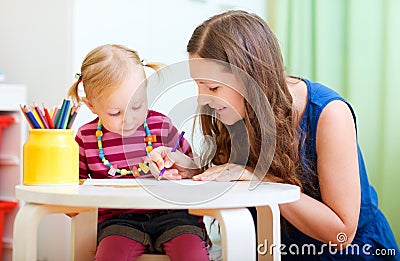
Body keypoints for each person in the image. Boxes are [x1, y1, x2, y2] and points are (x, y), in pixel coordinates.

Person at [149, 10, 399, 260]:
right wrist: (193, 170)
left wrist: (259, 178)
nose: (203, 98)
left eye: (213, 87)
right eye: (198, 85)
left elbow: (341, 232)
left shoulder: (329, 114)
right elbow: (238, 174)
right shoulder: (236, 111)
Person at [67, 44, 209, 261]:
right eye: (115, 113)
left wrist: (180, 169)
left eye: (137, 106)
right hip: (118, 222)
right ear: (91, 105)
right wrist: (72, 202)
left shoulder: (160, 125)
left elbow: (196, 169)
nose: (129, 119)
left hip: (174, 216)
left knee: (192, 255)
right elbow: (72, 189)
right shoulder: (86, 138)